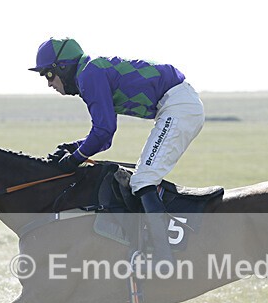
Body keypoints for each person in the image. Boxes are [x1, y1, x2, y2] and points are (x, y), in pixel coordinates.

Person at [29, 37, 205, 269]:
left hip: (179, 106)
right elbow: (105, 137)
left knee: (143, 179)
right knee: (142, 178)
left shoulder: (89, 75)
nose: (49, 83)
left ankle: (163, 259)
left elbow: (103, 131)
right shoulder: (90, 73)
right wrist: (74, 148)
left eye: (48, 75)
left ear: (63, 66)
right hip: (175, 104)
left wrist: (75, 158)